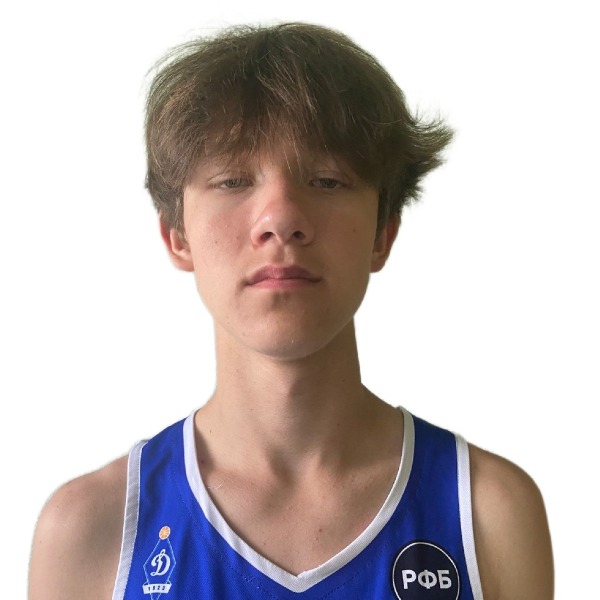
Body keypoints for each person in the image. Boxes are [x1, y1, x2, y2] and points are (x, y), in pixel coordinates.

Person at [28, 22, 553, 600]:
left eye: (327, 180)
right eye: (232, 180)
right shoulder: (91, 530)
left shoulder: (487, 515)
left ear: (383, 232)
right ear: (177, 235)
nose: (280, 218)